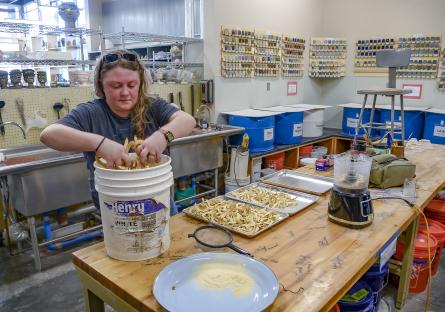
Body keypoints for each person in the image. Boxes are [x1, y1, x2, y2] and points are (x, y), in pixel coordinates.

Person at [40, 49, 196, 214]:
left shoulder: (152, 106)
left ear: (140, 83)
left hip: (156, 202)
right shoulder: (90, 113)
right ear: (101, 85)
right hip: (115, 209)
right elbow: (49, 134)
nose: (125, 93)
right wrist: (100, 144)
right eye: (116, 86)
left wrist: (163, 136)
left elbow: (188, 120)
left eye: (131, 85)